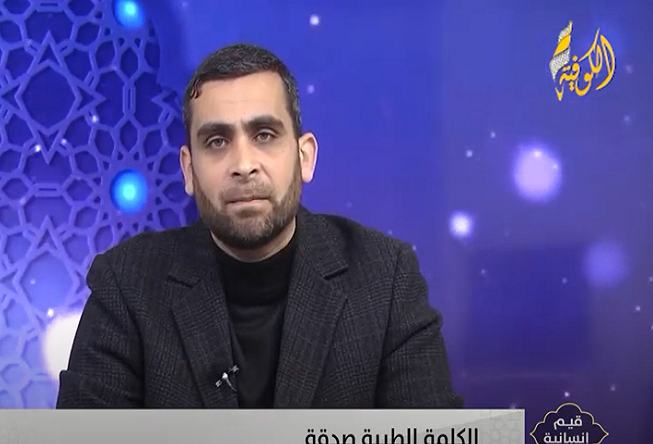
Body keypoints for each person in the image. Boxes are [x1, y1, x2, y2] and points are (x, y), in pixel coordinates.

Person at [56, 43, 462, 408]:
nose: (244, 164)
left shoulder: (385, 280)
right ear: (188, 169)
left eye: (265, 135)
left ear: (304, 157)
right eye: (217, 141)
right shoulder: (126, 285)